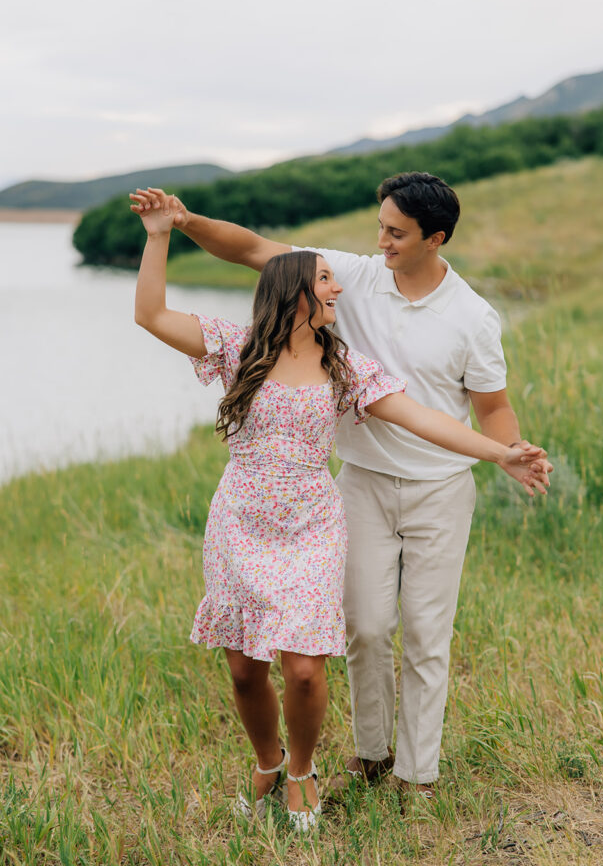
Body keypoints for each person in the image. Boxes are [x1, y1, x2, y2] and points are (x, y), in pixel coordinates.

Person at [130, 174, 552, 801]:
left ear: (433, 239)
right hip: (322, 494)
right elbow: (238, 259)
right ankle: (361, 756)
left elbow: (455, 412)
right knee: (356, 631)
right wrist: (176, 225)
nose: (378, 243)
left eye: (395, 232)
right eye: (380, 226)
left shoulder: (443, 327)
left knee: (408, 640)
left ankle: (410, 775)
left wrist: (504, 454)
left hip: (406, 496)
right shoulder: (306, 305)